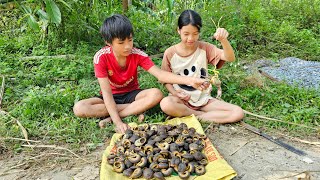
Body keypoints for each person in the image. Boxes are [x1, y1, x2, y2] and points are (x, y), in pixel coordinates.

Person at [73, 14, 208, 134]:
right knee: (79, 108)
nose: (127, 46)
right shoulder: (101, 57)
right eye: (121, 42)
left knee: (156, 94)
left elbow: (160, 75)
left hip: (132, 95)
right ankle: (134, 110)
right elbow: (106, 93)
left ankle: (115, 114)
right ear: (108, 42)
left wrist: (190, 80)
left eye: (130, 40)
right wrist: (118, 123)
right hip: (110, 96)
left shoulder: (137, 54)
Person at [160, 9, 244, 123]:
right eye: (186, 34)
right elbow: (165, 79)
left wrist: (224, 40)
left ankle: (194, 117)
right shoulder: (170, 53)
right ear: (178, 31)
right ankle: (201, 115)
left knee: (238, 112)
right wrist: (175, 93)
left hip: (203, 100)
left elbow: (230, 58)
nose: (190, 38)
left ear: (199, 32)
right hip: (180, 100)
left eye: (195, 34)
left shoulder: (205, 48)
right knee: (166, 104)